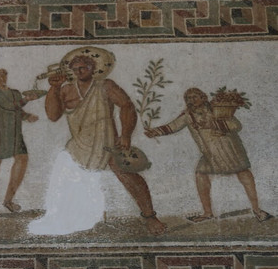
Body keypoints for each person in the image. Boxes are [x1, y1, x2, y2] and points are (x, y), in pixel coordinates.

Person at [42, 48, 166, 235]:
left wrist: (126, 135)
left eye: (83, 68)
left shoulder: (105, 86)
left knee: (128, 175)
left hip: (107, 141)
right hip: (79, 143)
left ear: (93, 68)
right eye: (75, 69)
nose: (79, 72)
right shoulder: (66, 89)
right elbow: (53, 115)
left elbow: (126, 106)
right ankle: (73, 220)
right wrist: (54, 88)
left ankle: (150, 216)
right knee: (68, 179)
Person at [145, 87, 272, 223]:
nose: (191, 100)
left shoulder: (217, 109)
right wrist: (155, 132)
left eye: (194, 97)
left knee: (244, 173)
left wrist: (212, 124)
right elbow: (173, 126)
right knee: (201, 175)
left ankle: (257, 210)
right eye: (188, 98)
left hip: (230, 149)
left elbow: (236, 125)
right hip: (210, 153)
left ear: (203, 97)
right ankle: (207, 213)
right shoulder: (188, 115)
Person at [0, 68, 40, 214]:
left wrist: (26, 116)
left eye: (2, 76)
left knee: (22, 159)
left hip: (14, 133)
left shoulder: (15, 93)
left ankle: (8, 200)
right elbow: (8, 106)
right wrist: (26, 100)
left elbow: (16, 111)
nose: (1, 79)